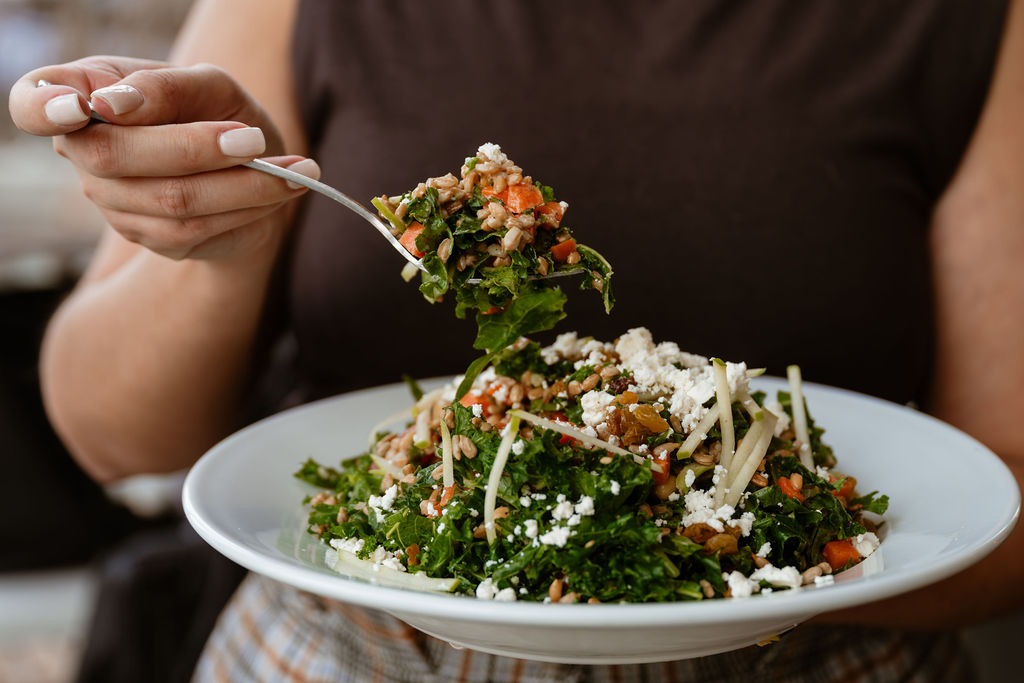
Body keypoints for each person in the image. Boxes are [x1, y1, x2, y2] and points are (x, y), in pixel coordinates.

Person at [10, 0, 1024, 680]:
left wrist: (715, 583)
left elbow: (1006, 503)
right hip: (351, 653)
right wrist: (226, 251)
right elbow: (114, 437)